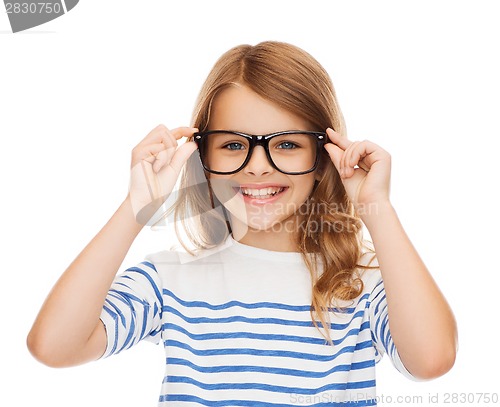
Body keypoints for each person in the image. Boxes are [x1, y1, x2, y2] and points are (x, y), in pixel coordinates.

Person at [27, 41, 457, 405]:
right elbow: (54, 348)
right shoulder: (170, 280)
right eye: (233, 144)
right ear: (202, 156)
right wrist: (135, 207)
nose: (256, 167)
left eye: (286, 144)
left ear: (324, 154)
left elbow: (431, 360)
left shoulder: (363, 285)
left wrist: (376, 208)